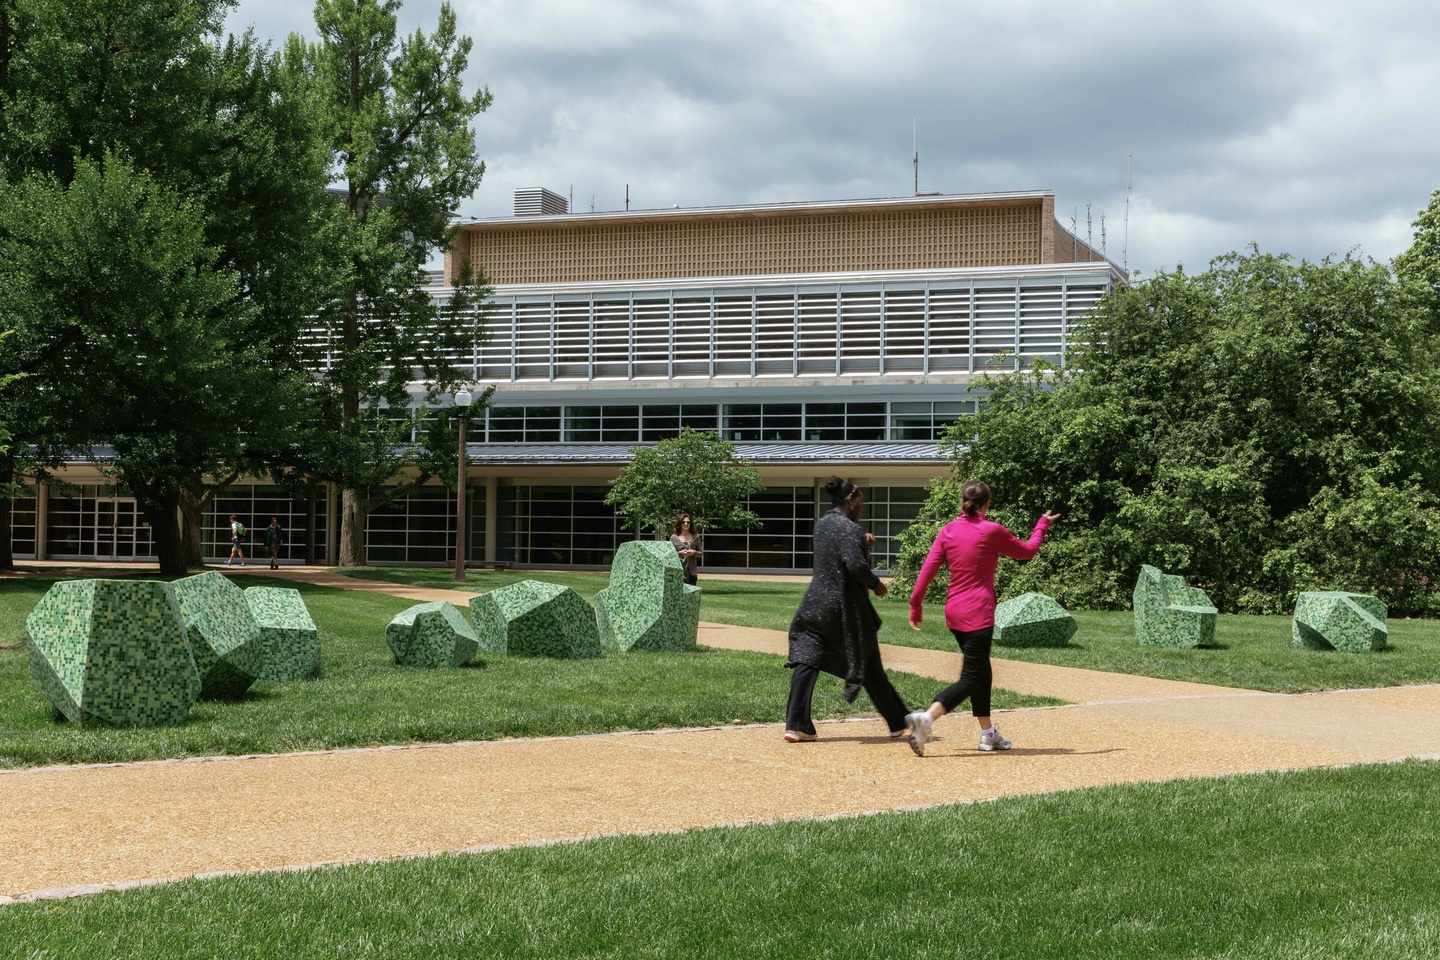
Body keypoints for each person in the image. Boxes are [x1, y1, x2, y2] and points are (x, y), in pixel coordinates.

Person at [904, 481, 1059, 756]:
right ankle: (925, 720)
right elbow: (1028, 551)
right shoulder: (991, 531)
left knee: (981, 671)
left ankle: (988, 734)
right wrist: (1042, 525)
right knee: (971, 677)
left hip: (954, 612)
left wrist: (916, 605)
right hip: (978, 613)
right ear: (987, 504)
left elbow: (927, 570)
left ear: (962, 501)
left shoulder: (948, 530)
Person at [784, 477, 911, 743]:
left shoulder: (823, 524)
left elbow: (837, 552)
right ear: (851, 500)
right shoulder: (851, 530)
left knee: (807, 659)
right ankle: (898, 721)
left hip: (815, 603)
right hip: (843, 608)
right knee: (868, 662)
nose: (862, 508)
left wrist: (862, 543)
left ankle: (797, 725)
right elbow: (855, 567)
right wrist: (877, 585)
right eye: (861, 502)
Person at [670, 513, 702, 586]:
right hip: (679, 572)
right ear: (679, 523)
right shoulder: (674, 538)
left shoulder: (696, 537)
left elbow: (701, 554)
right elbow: (670, 555)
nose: (686, 524)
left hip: (692, 573)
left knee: (691, 595)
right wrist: (680, 553)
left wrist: (694, 552)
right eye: (683, 522)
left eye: (688, 522)